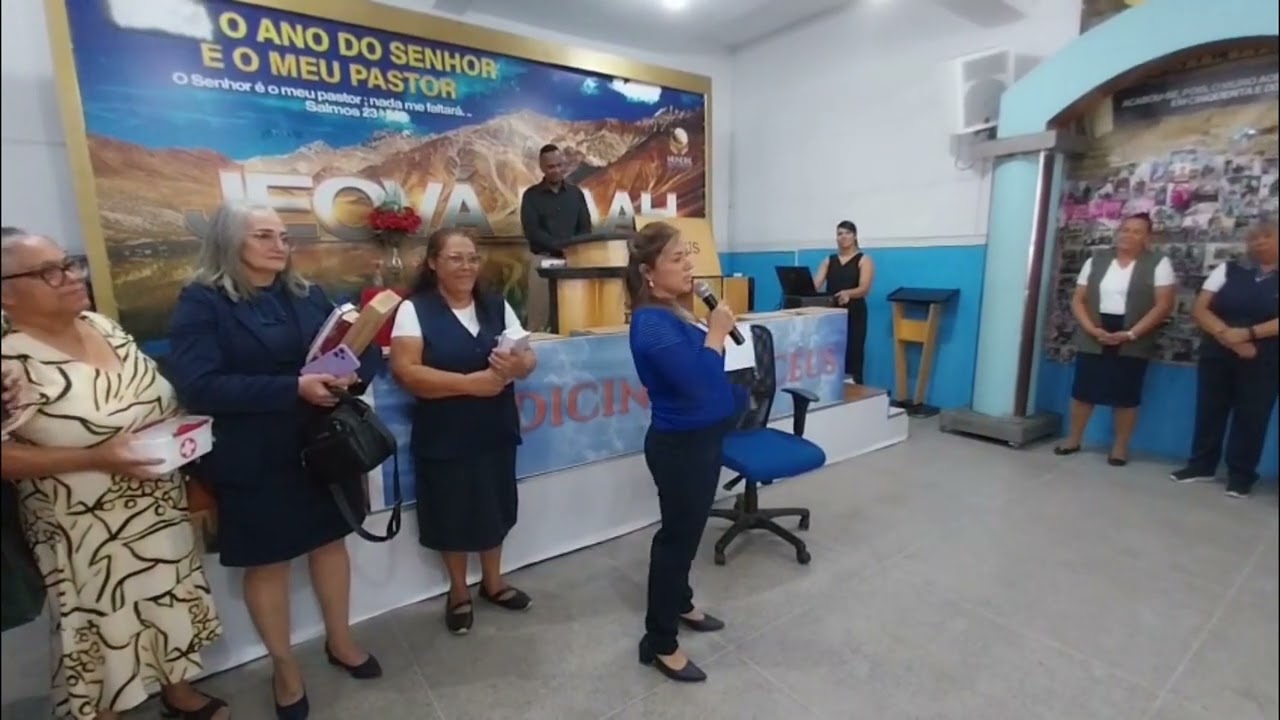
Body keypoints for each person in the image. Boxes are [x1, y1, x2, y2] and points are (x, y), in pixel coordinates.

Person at [165, 202, 383, 720]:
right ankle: (285, 670)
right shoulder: (203, 302)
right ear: (228, 242)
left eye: (284, 236)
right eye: (264, 235)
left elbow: (352, 350)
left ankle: (340, 641)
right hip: (255, 454)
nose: (279, 246)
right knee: (268, 565)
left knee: (331, 544)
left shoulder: (305, 294)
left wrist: (352, 372)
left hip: (320, 446)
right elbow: (198, 385)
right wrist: (293, 388)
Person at [0, 228, 228, 720]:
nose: (69, 277)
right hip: (83, 529)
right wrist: (96, 458)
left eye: (69, 263)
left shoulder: (103, 327)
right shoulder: (10, 360)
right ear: (5, 292)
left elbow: (155, 398)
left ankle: (179, 691)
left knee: (169, 599)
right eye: (47, 272)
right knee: (101, 623)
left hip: (156, 503)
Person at [388, 227, 537, 635]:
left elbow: (528, 360)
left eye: (472, 257)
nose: (466, 266)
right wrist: (470, 384)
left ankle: (493, 582)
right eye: (455, 257)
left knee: (494, 505)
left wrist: (517, 367)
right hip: (444, 432)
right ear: (433, 262)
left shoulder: (496, 305)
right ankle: (458, 591)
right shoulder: (413, 310)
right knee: (450, 512)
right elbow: (406, 372)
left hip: (495, 427)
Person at [626, 221, 741, 683]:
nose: (689, 263)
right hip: (681, 448)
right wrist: (714, 334)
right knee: (675, 541)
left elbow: (706, 372)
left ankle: (682, 602)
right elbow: (696, 382)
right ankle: (659, 641)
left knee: (689, 533)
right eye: (676, 258)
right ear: (649, 273)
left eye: (686, 255)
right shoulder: (651, 323)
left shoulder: (673, 310)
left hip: (704, 440)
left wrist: (711, 332)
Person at [1055, 213, 1175, 465]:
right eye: (1125, 229)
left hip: (1134, 333)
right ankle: (1074, 439)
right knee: (1083, 390)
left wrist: (1132, 334)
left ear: (1147, 237)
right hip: (1095, 331)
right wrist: (1090, 328)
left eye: (1137, 231)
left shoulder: (1158, 263)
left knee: (1126, 393)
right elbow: (1078, 299)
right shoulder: (1096, 260)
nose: (1128, 235)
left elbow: (1163, 305)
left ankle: (1119, 447)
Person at [1171, 219, 1279, 497]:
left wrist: (1248, 334)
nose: (1258, 242)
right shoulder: (1229, 269)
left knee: (1252, 417)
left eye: (1266, 236)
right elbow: (1200, 308)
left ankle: (1242, 476)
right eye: (1254, 238)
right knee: (1209, 410)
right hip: (1218, 352)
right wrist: (1228, 336)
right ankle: (1201, 466)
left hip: (1265, 359)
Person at [519, 143, 593, 331]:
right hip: (543, 262)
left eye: (560, 165)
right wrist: (563, 248)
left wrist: (575, 251)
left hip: (574, 262)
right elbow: (532, 232)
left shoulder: (576, 194)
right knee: (538, 320)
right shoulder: (531, 196)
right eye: (551, 167)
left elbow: (585, 227)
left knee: (574, 318)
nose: (556, 170)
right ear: (542, 168)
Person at [813, 220, 874, 383]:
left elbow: (864, 288)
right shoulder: (829, 260)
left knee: (853, 352)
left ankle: (854, 388)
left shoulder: (864, 259)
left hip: (855, 313)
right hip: (832, 314)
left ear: (854, 236)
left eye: (847, 233)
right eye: (840, 234)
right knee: (831, 352)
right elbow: (815, 285)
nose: (843, 237)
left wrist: (849, 293)